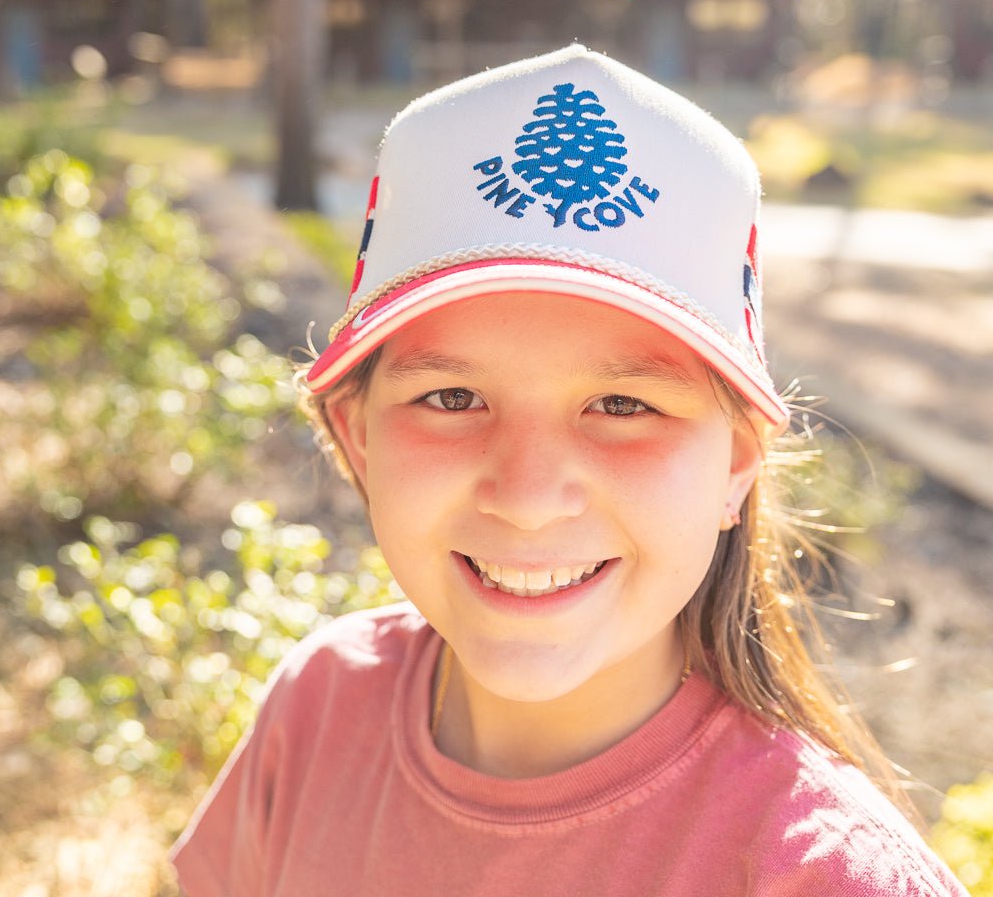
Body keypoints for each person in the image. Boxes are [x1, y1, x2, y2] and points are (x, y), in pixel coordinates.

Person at [170, 45, 966, 896]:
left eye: (623, 406)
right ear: (357, 436)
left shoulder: (820, 877)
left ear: (735, 461)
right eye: (452, 397)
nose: (528, 497)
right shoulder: (321, 708)